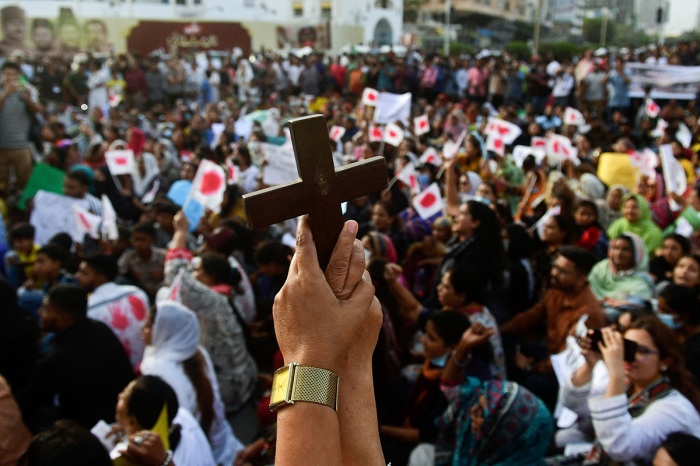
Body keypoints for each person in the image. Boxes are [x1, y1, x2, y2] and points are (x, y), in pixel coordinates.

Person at [562, 317, 700, 464]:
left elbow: (620, 447)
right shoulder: (628, 384)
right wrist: (589, 365)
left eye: (642, 351)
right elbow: (573, 404)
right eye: (627, 347)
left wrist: (616, 373)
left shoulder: (674, 408)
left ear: (665, 361)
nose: (631, 357)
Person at [160, 212, 257, 413]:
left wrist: (181, 232)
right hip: (244, 379)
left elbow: (176, 275)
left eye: (198, 271)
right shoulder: (226, 284)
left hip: (230, 393)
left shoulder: (210, 300)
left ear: (211, 277)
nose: (194, 275)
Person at [500, 246, 607, 410]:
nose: (554, 274)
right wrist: (498, 331)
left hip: (565, 372)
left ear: (581, 278)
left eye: (563, 272)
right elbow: (528, 318)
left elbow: (567, 358)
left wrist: (530, 367)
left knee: (532, 383)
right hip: (550, 354)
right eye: (555, 267)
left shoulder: (588, 314)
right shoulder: (556, 292)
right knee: (506, 345)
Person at [17, 284, 134, 431]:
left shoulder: (57, 357)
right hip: (116, 416)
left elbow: (32, 400)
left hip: (83, 428)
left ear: (64, 318)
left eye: (46, 309)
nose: (40, 313)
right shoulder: (101, 329)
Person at [140, 300, 244, 465]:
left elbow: (175, 421)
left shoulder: (157, 369)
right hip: (221, 441)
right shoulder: (196, 351)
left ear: (164, 331)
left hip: (195, 449)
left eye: (148, 326)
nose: (142, 329)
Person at [114, 375, 216, 466]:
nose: (119, 395)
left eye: (123, 397)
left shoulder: (132, 458)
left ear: (133, 422)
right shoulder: (183, 415)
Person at [74, 253, 150, 368]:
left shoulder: (89, 309)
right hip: (149, 361)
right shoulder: (136, 292)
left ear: (101, 277)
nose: (77, 276)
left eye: (84, 273)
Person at [588, 233, 655, 310]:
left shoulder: (642, 282)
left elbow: (636, 304)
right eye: (616, 248)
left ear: (636, 253)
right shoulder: (601, 269)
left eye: (625, 250)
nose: (619, 253)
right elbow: (588, 291)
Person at [0, 60, 40, 190]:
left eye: (12, 74)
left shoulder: (28, 90)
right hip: (1, 147)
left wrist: (28, 100)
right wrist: (5, 94)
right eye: (6, 74)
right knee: (2, 185)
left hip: (21, 146)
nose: (9, 77)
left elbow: (39, 111)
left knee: (25, 182)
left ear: (18, 75)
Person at [118, 221, 166, 301]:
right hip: (141, 294)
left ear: (153, 240)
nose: (138, 244)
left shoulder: (163, 256)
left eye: (142, 240)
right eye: (135, 240)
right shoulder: (128, 257)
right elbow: (120, 273)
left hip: (162, 293)